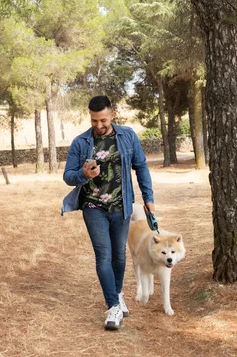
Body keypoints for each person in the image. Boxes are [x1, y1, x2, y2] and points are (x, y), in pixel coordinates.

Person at [62, 95, 155, 331]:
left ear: (112, 115)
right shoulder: (80, 142)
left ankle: (118, 293)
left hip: (121, 204)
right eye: (94, 121)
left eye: (103, 120)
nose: (99, 126)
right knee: (103, 256)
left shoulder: (128, 136)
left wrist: (148, 199)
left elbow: (141, 167)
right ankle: (113, 305)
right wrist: (84, 175)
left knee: (119, 256)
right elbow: (68, 176)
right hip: (93, 206)